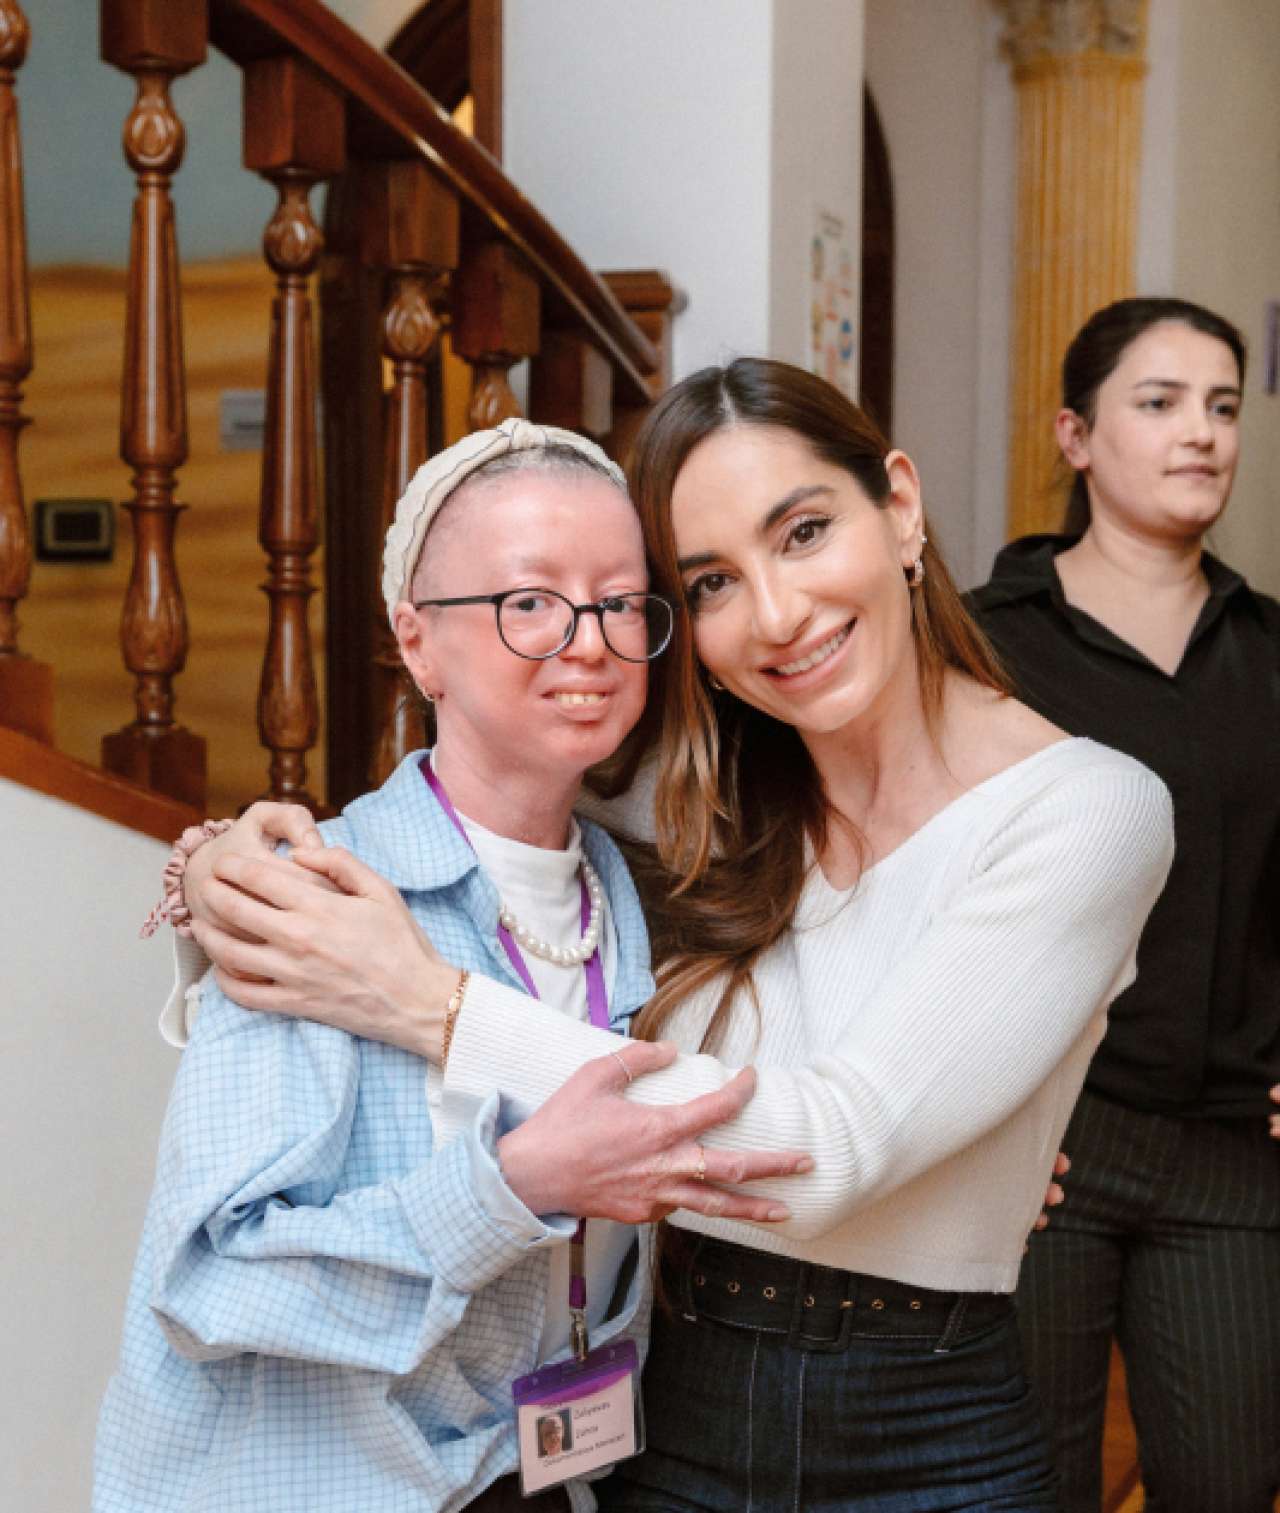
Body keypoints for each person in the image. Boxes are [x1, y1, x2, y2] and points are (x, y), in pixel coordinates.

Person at [171, 360, 1173, 1510]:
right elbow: (473, 796)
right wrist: (217, 860)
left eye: (802, 532)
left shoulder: (1088, 809)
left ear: (899, 505)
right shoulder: (676, 799)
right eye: (709, 583)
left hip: (926, 1419)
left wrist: (425, 1003)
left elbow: (826, 1157)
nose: (777, 614)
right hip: (668, 1394)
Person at [94, 420, 813, 1513]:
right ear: (417, 641)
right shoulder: (316, 903)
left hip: (537, 1479)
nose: (588, 642)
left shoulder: (631, 901)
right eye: (529, 601)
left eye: (621, 603)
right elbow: (208, 1280)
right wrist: (513, 1187)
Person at [968, 297, 1280, 1513]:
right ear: (1075, 436)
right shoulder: (985, 645)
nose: (1199, 431)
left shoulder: (1266, 650)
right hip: (1046, 1143)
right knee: (1030, 1482)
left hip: (1228, 1151)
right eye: (1157, 402)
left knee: (1225, 1482)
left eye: (1220, 405)